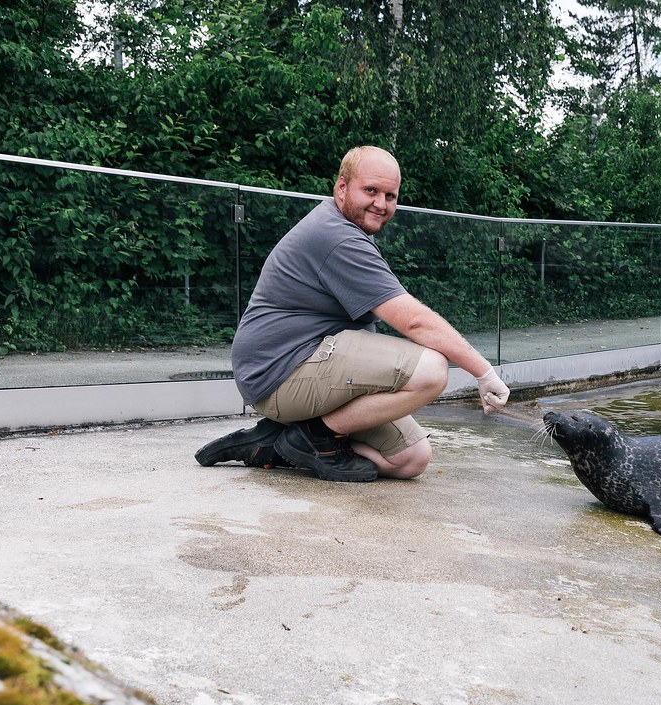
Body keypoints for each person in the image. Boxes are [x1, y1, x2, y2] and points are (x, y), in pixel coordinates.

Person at [196, 145, 510, 482]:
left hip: (307, 365)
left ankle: (277, 444)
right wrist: (483, 371)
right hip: (280, 373)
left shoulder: (348, 230)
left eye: (390, 195)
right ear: (341, 187)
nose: (381, 203)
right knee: (432, 369)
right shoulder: (337, 237)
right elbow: (414, 321)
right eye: (371, 190)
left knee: (410, 459)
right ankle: (312, 436)